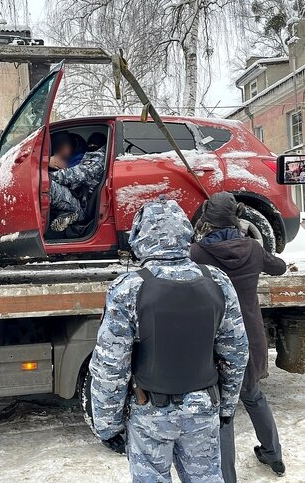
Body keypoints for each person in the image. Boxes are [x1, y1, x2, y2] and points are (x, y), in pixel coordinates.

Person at [90, 197, 249, 482]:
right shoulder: (217, 280)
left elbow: (110, 366)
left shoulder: (129, 288)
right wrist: (226, 406)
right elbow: (236, 352)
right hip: (203, 408)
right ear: (186, 233)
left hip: (151, 413)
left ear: (140, 237)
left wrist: (107, 425)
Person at [190, 191, 287, 481]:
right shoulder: (253, 249)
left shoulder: (197, 254)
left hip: (214, 341)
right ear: (236, 216)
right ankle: (274, 456)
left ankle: (226, 476)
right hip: (250, 338)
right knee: (254, 396)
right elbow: (280, 267)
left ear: (208, 219)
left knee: (223, 409)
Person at [49, 132, 107, 232]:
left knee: (46, 184)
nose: (91, 146)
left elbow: (74, 175)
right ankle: (68, 215)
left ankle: (75, 215)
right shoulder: (89, 156)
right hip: (77, 199)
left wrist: (45, 171)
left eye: (94, 145)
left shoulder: (98, 160)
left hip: (81, 207)